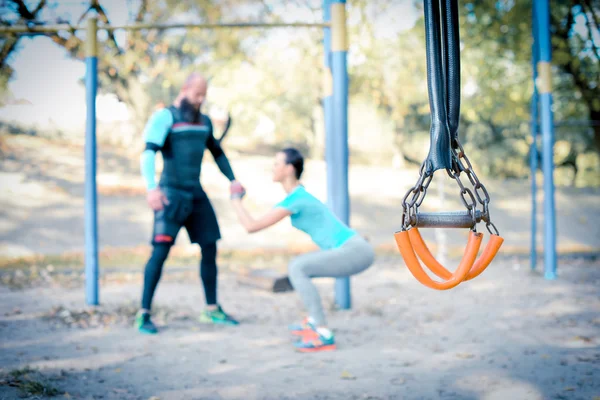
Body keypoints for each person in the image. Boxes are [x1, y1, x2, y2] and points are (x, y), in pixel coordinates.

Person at [230, 148, 375, 352]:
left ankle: (322, 332)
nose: (273, 167)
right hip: (355, 248)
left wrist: (235, 199)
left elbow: (251, 226)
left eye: (277, 163)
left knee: (298, 267)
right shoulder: (298, 196)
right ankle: (313, 322)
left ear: (289, 168)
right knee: (299, 266)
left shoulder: (296, 199)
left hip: (355, 250)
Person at [135, 73, 245, 334]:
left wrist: (233, 180)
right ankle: (143, 314)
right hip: (170, 195)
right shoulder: (165, 117)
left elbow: (217, 153)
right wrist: (151, 189)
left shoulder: (204, 122)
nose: (200, 100)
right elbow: (148, 152)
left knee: (210, 247)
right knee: (159, 253)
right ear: (184, 90)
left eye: (204, 95)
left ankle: (212, 309)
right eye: (197, 94)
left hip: (196, 194)